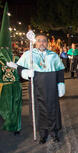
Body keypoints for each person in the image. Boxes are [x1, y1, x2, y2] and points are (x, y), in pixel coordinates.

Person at [11, 33, 65, 144]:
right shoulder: (28, 54)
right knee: (39, 110)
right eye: (39, 40)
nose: (42, 43)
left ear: (47, 43)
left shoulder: (54, 55)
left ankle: (54, 133)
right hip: (36, 86)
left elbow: (60, 70)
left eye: (44, 40)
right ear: (35, 42)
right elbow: (19, 68)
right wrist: (26, 72)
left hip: (51, 86)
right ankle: (43, 134)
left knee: (52, 108)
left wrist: (60, 84)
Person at [0, 2, 22, 135]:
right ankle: (11, 124)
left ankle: (16, 126)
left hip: (14, 87)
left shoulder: (15, 58)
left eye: (6, 49)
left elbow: (22, 70)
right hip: (2, 87)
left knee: (15, 108)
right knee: (7, 109)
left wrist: (21, 68)